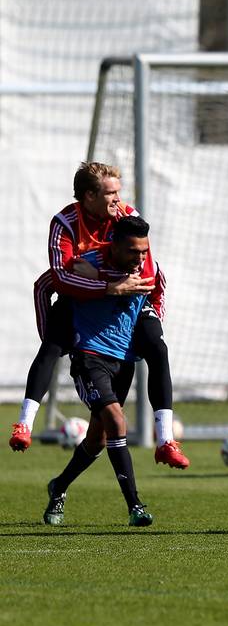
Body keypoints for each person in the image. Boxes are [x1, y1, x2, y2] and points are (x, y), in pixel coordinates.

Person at [12, 162, 187, 469]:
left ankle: (165, 441)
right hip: (83, 301)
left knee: (157, 348)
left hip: (129, 300)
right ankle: (24, 425)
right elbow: (61, 278)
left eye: (119, 191)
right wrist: (107, 284)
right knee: (52, 345)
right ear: (89, 196)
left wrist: (108, 281)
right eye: (111, 193)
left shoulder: (127, 216)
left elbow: (146, 272)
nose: (118, 199)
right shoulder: (65, 223)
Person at [42, 216, 161, 527]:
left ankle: (59, 486)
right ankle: (135, 505)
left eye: (144, 252)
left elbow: (158, 291)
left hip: (124, 360)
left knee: (97, 439)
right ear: (116, 246)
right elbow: (53, 282)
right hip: (89, 357)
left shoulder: (146, 269)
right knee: (117, 420)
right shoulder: (85, 264)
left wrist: (154, 322)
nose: (140, 259)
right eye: (134, 252)